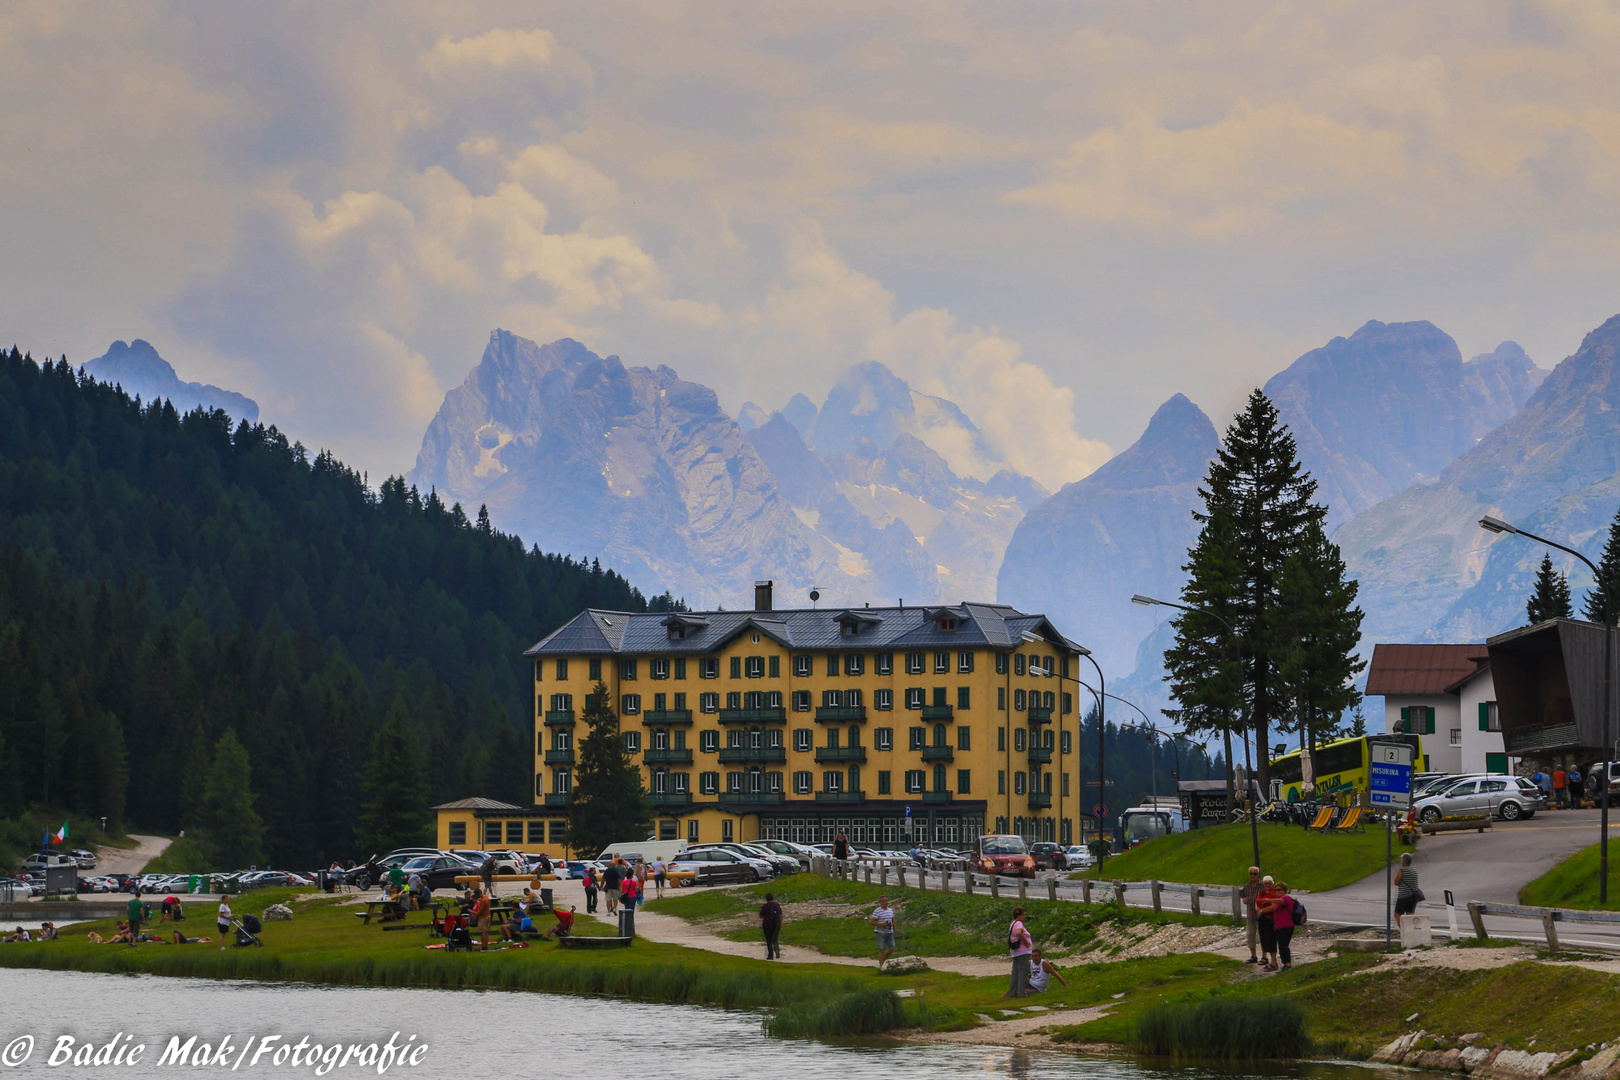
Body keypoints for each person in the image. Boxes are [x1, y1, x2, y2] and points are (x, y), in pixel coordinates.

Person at [1259, 882, 1297, 972]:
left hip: (1286, 926)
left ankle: (1287, 964)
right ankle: (1285, 964)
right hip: (1280, 926)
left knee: (1284, 946)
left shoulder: (1285, 898)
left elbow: (1280, 901)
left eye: (1278, 890)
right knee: (1281, 945)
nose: (1276, 891)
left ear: (1284, 890)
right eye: (1275, 890)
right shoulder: (1279, 899)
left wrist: (1268, 900)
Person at [1005, 906, 1033, 998]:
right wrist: (1026, 942)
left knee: (1015, 972)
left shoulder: (1013, 923)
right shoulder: (1019, 924)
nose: (1025, 917)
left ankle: (1012, 993)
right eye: (1024, 915)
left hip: (1015, 952)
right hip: (1022, 951)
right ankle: (1022, 993)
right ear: (1019, 915)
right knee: (1022, 972)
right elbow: (1018, 933)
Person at [1238, 866, 1263, 965]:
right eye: (1251, 874)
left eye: (1255, 874)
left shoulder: (1263, 886)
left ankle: (1264, 956)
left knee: (1262, 937)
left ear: (1259, 875)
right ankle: (1253, 956)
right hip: (1250, 915)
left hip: (1261, 915)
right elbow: (1243, 896)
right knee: (1250, 936)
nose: (1253, 876)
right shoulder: (1247, 886)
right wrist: (1245, 900)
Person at [1256, 875, 1279, 970]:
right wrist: (1257, 909)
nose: (1267, 885)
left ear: (1272, 883)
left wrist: (1262, 911)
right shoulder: (1262, 892)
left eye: (1269, 883)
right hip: (1262, 919)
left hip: (1271, 919)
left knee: (1271, 940)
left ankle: (1274, 962)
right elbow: (1256, 902)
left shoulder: (1274, 893)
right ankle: (1271, 962)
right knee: (1264, 940)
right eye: (1266, 884)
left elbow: (1274, 906)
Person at [1394, 852, 1422, 927]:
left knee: (1397, 914)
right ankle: (1411, 930)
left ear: (1403, 861)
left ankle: (1404, 931)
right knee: (1410, 914)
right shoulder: (1414, 870)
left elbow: (1396, 882)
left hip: (1404, 895)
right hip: (1413, 896)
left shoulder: (1402, 871)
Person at [870, 895, 896, 966]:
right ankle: (881, 965)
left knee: (892, 947)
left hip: (890, 931)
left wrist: (895, 928)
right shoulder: (877, 911)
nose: (886, 902)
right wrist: (882, 924)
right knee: (882, 949)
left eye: (886, 901)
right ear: (880, 902)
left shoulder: (890, 910)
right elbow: (872, 922)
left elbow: (892, 919)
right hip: (880, 932)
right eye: (884, 901)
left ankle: (883, 960)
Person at [759, 892, 783, 960]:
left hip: (767, 924)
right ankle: (777, 952)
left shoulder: (765, 906)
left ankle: (771, 955)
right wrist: (780, 924)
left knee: (768, 940)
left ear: (766, 899)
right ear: (773, 898)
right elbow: (780, 915)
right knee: (775, 938)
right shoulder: (777, 905)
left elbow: (761, 916)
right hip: (776, 924)